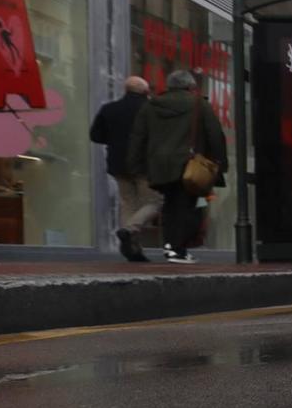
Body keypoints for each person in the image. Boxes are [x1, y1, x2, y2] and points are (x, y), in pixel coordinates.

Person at [126, 70, 226, 264]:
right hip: (189, 164)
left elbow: (138, 136)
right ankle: (176, 250)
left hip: (159, 165)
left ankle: (173, 247)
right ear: (190, 86)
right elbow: (215, 135)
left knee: (171, 206)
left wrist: (136, 165)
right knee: (188, 207)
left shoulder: (150, 106)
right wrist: (220, 163)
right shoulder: (199, 104)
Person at [89, 75, 159, 262]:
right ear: (146, 92)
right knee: (155, 201)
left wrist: (115, 140)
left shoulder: (109, 109)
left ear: (126, 90)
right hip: (145, 163)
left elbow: (95, 136)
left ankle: (134, 250)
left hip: (118, 163)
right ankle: (130, 229)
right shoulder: (151, 109)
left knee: (128, 203)